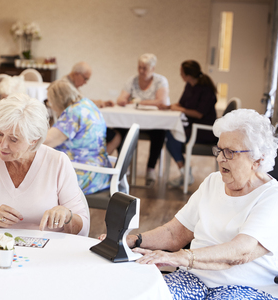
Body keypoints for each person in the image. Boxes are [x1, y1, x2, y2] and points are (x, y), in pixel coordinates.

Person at [101, 109, 278, 299]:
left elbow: (241, 252)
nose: (220, 158)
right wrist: (133, 240)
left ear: (258, 159)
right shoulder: (213, 181)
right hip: (195, 277)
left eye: (230, 152)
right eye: (219, 150)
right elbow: (176, 233)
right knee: (144, 294)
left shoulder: (271, 196)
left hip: (246, 287)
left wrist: (182, 257)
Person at [0, 93, 89, 236]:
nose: (3, 145)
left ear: (34, 139)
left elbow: (83, 229)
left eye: (13, 140)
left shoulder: (57, 162)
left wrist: (67, 216)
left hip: (48, 251)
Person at [44, 80, 112, 195]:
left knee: (34, 178)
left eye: (51, 102)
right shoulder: (87, 104)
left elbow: (46, 141)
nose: (52, 107)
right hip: (100, 171)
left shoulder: (73, 113)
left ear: (58, 100)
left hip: (85, 175)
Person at [116, 53, 170, 185]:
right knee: (120, 129)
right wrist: (147, 101)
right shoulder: (132, 80)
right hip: (133, 122)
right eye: (139, 67)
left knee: (160, 133)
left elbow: (161, 101)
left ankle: (150, 169)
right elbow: (121, 100)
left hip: (154, 123)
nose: (141, 71)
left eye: (144, 68)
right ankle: (124, 165)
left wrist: (136, 101)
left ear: (153, 69)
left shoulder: (160, 81)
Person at [162, 60, 218, 187]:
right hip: (191, 126)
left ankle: (185, 172)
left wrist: (179, 109)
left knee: (173, 137)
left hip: (204, 129)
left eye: (181, 73)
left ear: (188, 75)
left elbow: (199, 114)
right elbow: (181, 104)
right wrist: (168, 106)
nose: (180, 75)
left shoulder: (206, 90)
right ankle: (185, 172)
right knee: (169, 134)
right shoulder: (189, 85)